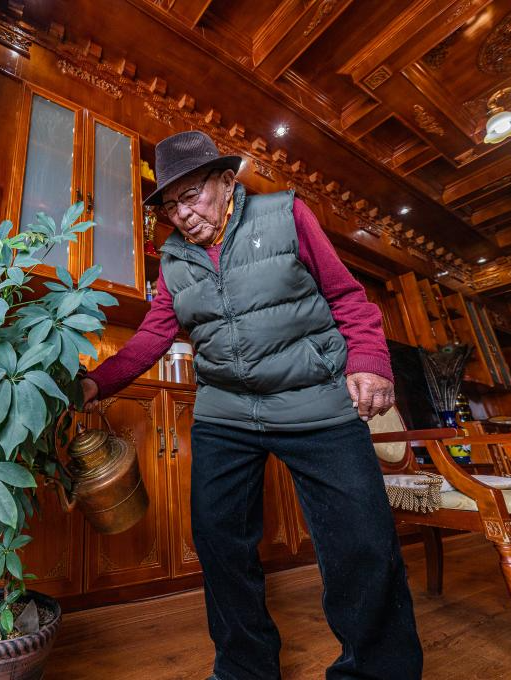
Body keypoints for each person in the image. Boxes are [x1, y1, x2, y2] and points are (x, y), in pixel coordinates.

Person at [78, 131, 422, 680]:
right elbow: (150, 339)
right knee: (218, 540)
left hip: (315, 401)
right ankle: (244, 669)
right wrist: (95, 384)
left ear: (226, 181)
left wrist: (370, 360)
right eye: (170, 205)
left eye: (191, 196)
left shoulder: (285, 215)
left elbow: (347, 296)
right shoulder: (173, 259)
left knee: (360, 539)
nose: (182, 214)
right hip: (227, 414)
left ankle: (377, 671)